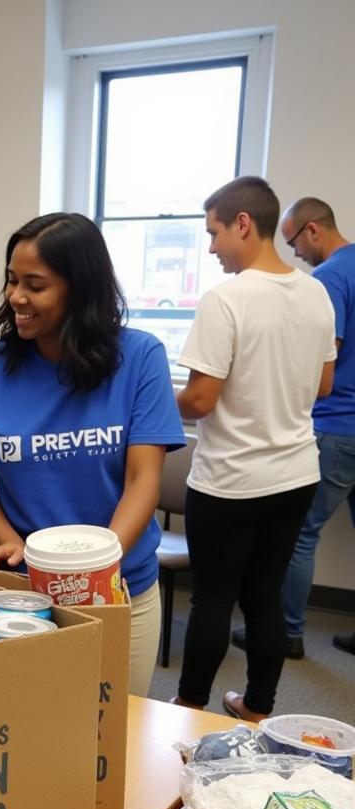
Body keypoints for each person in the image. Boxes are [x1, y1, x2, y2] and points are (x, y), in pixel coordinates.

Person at [0, 213, 184, 697]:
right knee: (31, 728)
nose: (16, 297)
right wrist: (9, 540)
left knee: (117, 731)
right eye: (12, 280)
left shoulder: (139, 358)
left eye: (35, 285)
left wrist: (97, 566)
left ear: (80, 290)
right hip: (24, 597)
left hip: (121, 591)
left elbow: (143, 480)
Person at [173, 177, 336, 722]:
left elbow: (198, 399)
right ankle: (258, 708)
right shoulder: (316, 292)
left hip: (231, 480)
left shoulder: (227, 298)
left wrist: (147, 401)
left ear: (243, 223)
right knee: (264, 597)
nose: (212, 246)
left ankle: (190, 706)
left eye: (214, 232)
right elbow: (324, 386)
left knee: (213, 599)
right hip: (295, 474)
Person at [230, 197, 355, 660]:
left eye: (294, 241)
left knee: (302, 534)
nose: (295, 253)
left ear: (314, 229)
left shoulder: (328, 279)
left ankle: (290, 633)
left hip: (337, 423)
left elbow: (324, 369)